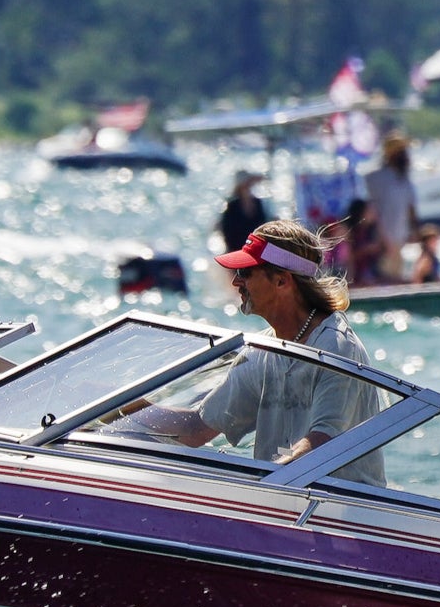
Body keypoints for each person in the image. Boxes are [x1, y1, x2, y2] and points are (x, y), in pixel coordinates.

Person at [124, 219, 386, 478]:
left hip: (337, 511)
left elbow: (321, 443)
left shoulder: (337, 348)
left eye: (246, 272)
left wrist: (264, 482)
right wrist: (120, 407)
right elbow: (196, 429)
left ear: (282, 281)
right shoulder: (262, 352)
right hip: (283, 498)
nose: (236, 282)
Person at [363, 132, 419, 280]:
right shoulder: (376, 178)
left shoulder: (404, 179)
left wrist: (414, 232)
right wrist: (383, 239)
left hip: (399, 240)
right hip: (382, 241)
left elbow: (410, 209)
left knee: (398, 276)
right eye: (401, 151)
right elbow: (372, 211)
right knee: (386, 279)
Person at [216, 171, 270, 254]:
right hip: (236, 250)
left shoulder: (257, 203)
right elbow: (227, 231)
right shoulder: (232, 206)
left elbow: (263, 225)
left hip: (256, 249)